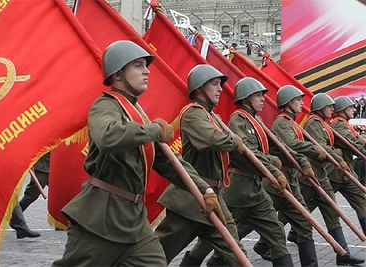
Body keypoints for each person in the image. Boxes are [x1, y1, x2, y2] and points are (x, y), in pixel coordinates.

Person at [52, 40, 225, 266]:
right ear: (117, 74)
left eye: (146, 65)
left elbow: (172, 164)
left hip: (134, 221)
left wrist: (205, 190)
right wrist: (153, 130)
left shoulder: (138, 115)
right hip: (101, 218)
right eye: (138, 65)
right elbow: (108, 136)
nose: (146, 71)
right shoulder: (106, 106)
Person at [184, 77, 294, 267]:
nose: (263, 100)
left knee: (275, 231)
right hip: (238, 189)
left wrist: (275, 166)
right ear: (245, 98)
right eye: (258, 95)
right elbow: (244, 153)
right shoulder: (238, 119)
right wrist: (273, 169)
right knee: (217, 238)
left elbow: (266, 149)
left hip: (256, 187)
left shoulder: (254, 120)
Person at [156, 64, 246, 266]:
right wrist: (233, 141)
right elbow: (211, 139)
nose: (220, 88)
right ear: (199, 88)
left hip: (214, 197)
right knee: (156, 257)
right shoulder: (192, 113)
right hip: (190, 200)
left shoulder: (211, 116)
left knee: (237, 255)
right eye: (214, 84)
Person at [291, 93, 364, 265]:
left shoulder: (324, 124)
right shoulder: (316, 123)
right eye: (329, 105)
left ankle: (343, 255)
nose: (332, 108)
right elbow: (322, 146)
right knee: (295, 211)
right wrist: (337, 155)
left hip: (327, 173)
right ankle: (266, 243)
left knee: (330, 210)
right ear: (321, 107)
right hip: (318, 174)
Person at [253, 85, 319, 267]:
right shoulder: (282, 123)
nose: (301, 103)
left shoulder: (291, 122)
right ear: (288, 102)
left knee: (305, 223)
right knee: (245, 224)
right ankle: (217, 261)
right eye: (298, 100)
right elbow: (291, 145)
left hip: (291, 179)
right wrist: (313, 151)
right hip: (275, 182)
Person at [330, 96, 366, 235]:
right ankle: (264, 244)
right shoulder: (338, 124)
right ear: (342, 110)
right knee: (315, 202)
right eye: (350, 107)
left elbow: (357, 139)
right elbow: (350, 142)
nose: (353, 110)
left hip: (345, 171)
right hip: (334, 172)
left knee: (361, 200)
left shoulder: (344, 124)